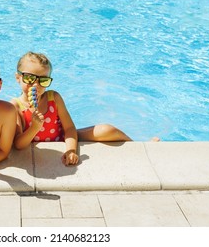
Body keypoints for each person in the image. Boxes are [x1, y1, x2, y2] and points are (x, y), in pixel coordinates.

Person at [11, 51, 159, 167]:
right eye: (30, 78)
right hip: (35, 145)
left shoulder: (53, 98)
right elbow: (18, 144)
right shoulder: (16, 106)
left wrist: (71, 150)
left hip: (61, 136)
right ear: (18, 78)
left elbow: (69, 128)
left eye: (43, 80)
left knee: (108, 130)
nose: (36, 85)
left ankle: (139, 147)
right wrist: (34, 128)